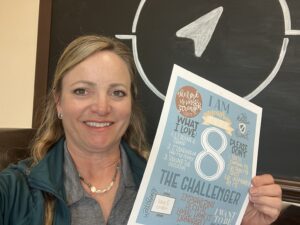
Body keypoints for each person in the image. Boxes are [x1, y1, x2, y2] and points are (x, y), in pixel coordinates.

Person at [0, 35, 282, 225]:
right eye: (82, 90)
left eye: (117, 92)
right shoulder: (14, 191)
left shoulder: (173, 186)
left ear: (131, 104)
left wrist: (240, 221)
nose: (101, 107)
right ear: (59, 103)